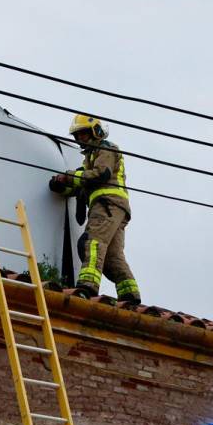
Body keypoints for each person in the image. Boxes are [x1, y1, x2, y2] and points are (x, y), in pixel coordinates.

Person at [49, 115, 140, 303]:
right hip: (116, 208)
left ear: (95, 132)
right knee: (113, 256)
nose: (80, 138)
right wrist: (62, 186)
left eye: (83, 133)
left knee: (92, 242)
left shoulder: (105, 148)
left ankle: (88, 285)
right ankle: (130, 295)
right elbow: (83, 184)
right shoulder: (90, 159)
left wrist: (68, 177)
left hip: (107, 204)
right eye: (77, 135)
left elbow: (100, 174)